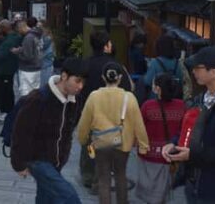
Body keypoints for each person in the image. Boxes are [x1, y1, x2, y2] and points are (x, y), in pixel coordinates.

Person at [162, 46, 215, 203]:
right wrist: (173, 144)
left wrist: (192, 155)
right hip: (193, 181)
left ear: (213, 72)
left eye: (198, 68)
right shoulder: (200, 99)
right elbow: (185, 129)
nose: (193, 72)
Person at [11, 57, 88, 204]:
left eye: (83, 82)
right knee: (69, 197)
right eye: (77, 81)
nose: (80, 86)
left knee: (46, 198)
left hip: (57, 161)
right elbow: (21, 132)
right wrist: (18, 163)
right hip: (37, 159)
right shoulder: (39, 98)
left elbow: (68, 131)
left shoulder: (76, 100)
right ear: (64, 76)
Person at [77, 62, 148, 204]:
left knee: (104, 179)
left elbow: (84, 121)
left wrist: (83, 139)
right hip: (123, 143)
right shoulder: (129, 98)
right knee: (121, 175)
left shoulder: (94, 96)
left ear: (103, 77)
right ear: (120, 77)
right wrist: (143, 145)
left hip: (101, 143)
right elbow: (138, 124)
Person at [78, 30, 132, 191]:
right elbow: (127, 89)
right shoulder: (115, 66)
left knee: (89, 145)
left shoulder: (86, 64)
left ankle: (88, 176)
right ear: (107, 46)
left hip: (90, 112)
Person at [136, 74, 185, 204]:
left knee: (150, 191)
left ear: (157, 89)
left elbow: (139, 128)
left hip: (149, 155)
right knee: (163, 191)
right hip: (171, 155)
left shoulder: (148, 106)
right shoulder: (182, 106)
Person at [0, 19, 20, 120]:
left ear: (4, 28)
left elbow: (0, 55)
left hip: (5, 69)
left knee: (5, 91)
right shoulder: (16, 37)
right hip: (10, 68)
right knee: (7, 90)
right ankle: (6, 110)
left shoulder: (9, 41)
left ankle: (7, 111)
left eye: (1, 28)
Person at [144, 35, 184, 101]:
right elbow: (181, 81)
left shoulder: (155, 63)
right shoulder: (177, 63)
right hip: (174, 99)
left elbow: (147, 81)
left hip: (157, 100)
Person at [13, 20, 43, 97]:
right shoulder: (36, 35)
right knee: (35, 92)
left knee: (25, 93)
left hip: (27, 70)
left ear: (21, 28)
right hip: (37, 67)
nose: (19, 33)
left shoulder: (28, 38)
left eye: (18, 31)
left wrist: (17, 53)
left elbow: (28, 57)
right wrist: (21, 49)